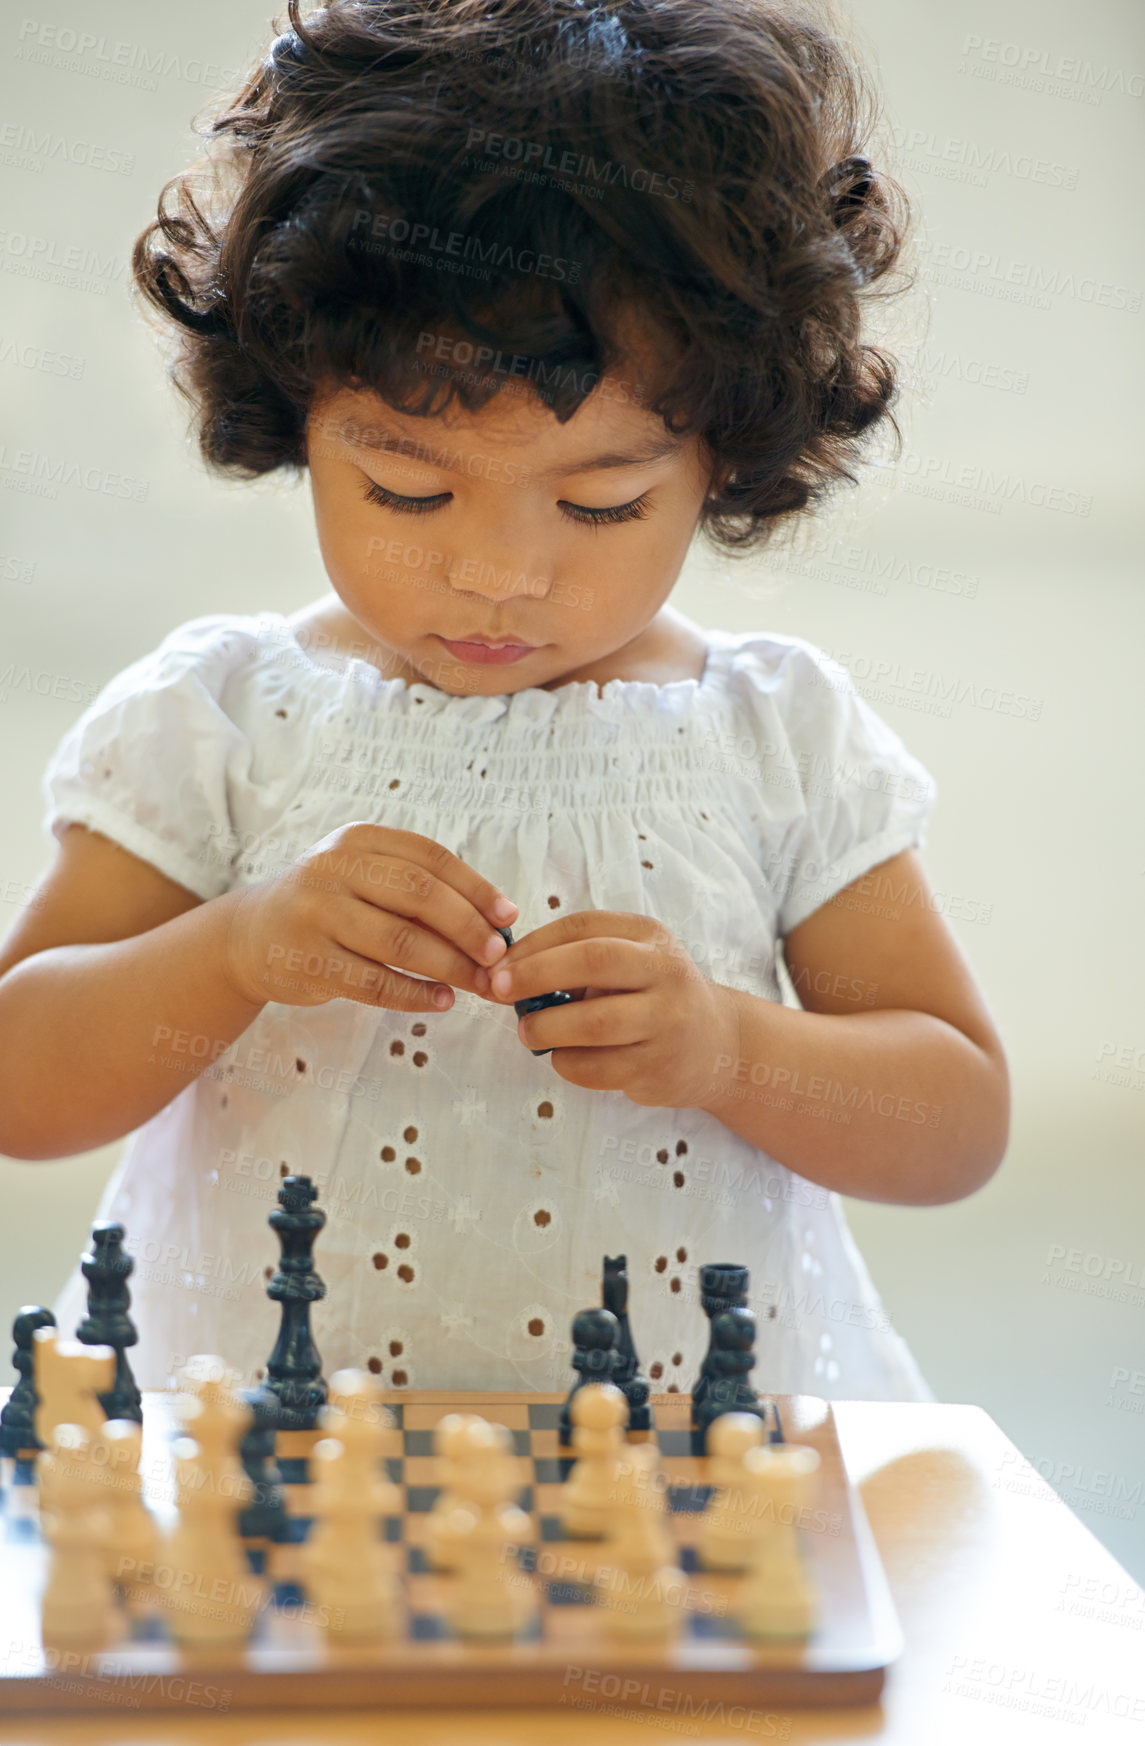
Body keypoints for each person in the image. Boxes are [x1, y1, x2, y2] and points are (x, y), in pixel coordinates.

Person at [0, 0, 1009, 1401]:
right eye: (407, 488)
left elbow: (951, 1121)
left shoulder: (773, 733)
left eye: (599, 503)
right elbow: (21, 1084)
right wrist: (230, 951)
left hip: (680, 1483)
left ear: (724, 450)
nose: (495, 574)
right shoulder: (225, 715)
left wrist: (733, 1046)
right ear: (294, 409)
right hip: (272, 1469)